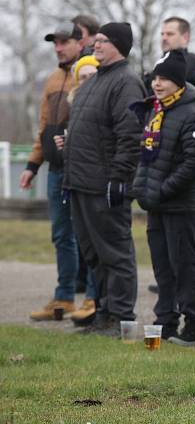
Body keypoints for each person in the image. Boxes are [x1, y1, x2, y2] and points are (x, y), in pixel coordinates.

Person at [62, 22, 146, 337]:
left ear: (119, 46)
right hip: (81, 184)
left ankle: (120, 317)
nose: (95, 45)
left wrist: (119, 178)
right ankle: (104, 313)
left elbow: (130, 135)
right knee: (94, 253)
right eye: (95, 40)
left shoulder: (125, 82)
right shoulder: (94, 81)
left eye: (102, 41)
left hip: (104, 186)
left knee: (115, 252)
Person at [130, 51, 195, 345]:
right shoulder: (156, 110)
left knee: (186, 266)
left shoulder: (191, 110)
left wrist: (162, 190)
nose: (157, 84)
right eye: (155, 78)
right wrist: (141, 189)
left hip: (181, 204)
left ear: (178, 82)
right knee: (162, 267)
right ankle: (166, 320)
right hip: (157, 204)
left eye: (164, 79)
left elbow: (194, 163)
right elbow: (148, 157)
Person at [23, 22, 83, 321]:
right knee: (61, 235)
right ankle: (64, 298)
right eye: (55, 44)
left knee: (84, 235)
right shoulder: (51, 80)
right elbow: (44, 126)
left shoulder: (87, 74)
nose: (58, 48)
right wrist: (32, 165)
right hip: (55, 169)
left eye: (63, 42)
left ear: (79, 42)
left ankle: (94, 299)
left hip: (82, 169)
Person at [146, 16, 195, 294]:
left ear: (185, 36)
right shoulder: (160, 64)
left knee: (194, 226)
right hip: (163, 158)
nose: (164, 37)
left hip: (188, 148)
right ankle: (170, 281)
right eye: (162, 33)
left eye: (170, 33)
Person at [53, 55, 101, 326]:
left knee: (95, 245)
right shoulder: (72, 103)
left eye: (90, 76)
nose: (85, 82)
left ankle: (94, 298)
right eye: (81, 78)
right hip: (72, 180)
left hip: (93, 183)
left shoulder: (101, 103)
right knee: (77, 242)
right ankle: (82, 297)